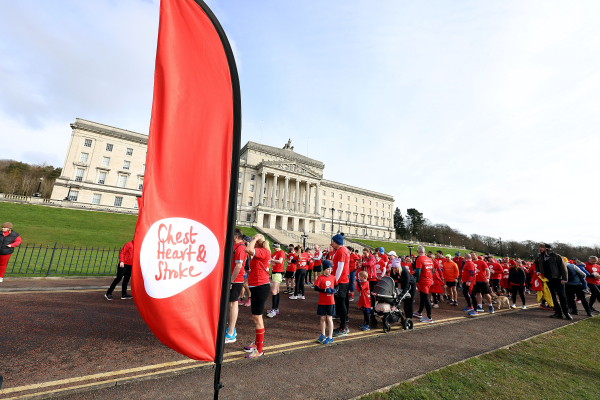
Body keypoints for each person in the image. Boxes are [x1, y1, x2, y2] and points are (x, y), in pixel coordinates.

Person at [243, 234, 271, 358]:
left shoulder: (263, 251)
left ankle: (259, 350)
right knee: (256, 318)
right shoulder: (262, 252)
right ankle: (256, 343)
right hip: (257, 286)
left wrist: (253, 238)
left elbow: (248, 249)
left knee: (258, 319)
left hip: (260, 287)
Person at [533, 243, 572, 320]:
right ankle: (558, 312)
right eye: (540, 247)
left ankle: (566, 312)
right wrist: (537, 271)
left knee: (562, 295)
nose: (540, 249)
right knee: (552, 296)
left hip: (558, 278)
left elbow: (564, 268)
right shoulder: (539, 256)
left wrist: (564, 278)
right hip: (547, 279)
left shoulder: (557, 256)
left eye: (542, 247)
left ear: (547, 248)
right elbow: (536, 264)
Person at [225, 229, 247, 343]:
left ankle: (231, 333)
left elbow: (238, 266)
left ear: (235, 237)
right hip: (234, 279)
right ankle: (231, 328)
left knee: (233, 304)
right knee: (231, 304)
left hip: (236, 280)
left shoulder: (240, 247)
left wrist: (231, 281)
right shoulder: (238, 246)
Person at [331, 234, 351, 337]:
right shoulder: (344, 249)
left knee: (341, 304)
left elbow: (340, 267)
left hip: (341, 281)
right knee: (341, 304)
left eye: (333, 241)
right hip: (343, 280)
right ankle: (343, 326)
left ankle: (343, 327)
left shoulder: (341, 250)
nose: (332, 243)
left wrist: (335, 280)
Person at [313, 260, 336, 344]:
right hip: (322, 301)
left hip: (331, 301)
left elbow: (337, 286)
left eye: (331, 269)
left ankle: (330, 336)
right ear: (324, 269)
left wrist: (335, 290)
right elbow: (316, 287)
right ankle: (323, 334)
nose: (330, 271)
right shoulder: (320, 277)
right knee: (322, 318)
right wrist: (324, 290)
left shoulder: (333, 277)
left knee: (329, 318)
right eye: (328, 269)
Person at [413, 245, 434, 324]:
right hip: (429, 279)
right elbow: (433, 270)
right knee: (422, 296)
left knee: (425, 297)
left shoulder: (419, 259)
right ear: (424, 251)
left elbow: (418, 271)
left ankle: (429, 317)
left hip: (423, 281)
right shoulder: (429, 259)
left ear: (418, 252)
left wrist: (417, 280)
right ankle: (419, 312)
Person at [267, 243, 285, 318]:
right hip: (274, 272)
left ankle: (274, 309)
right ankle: (275, 308)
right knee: (276, 291)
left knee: (274, 291)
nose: (273, 249)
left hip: (278, 272)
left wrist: (271, 260)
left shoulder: (281, 252)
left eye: (274, 248)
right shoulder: (275, 252)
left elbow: (280, 261)